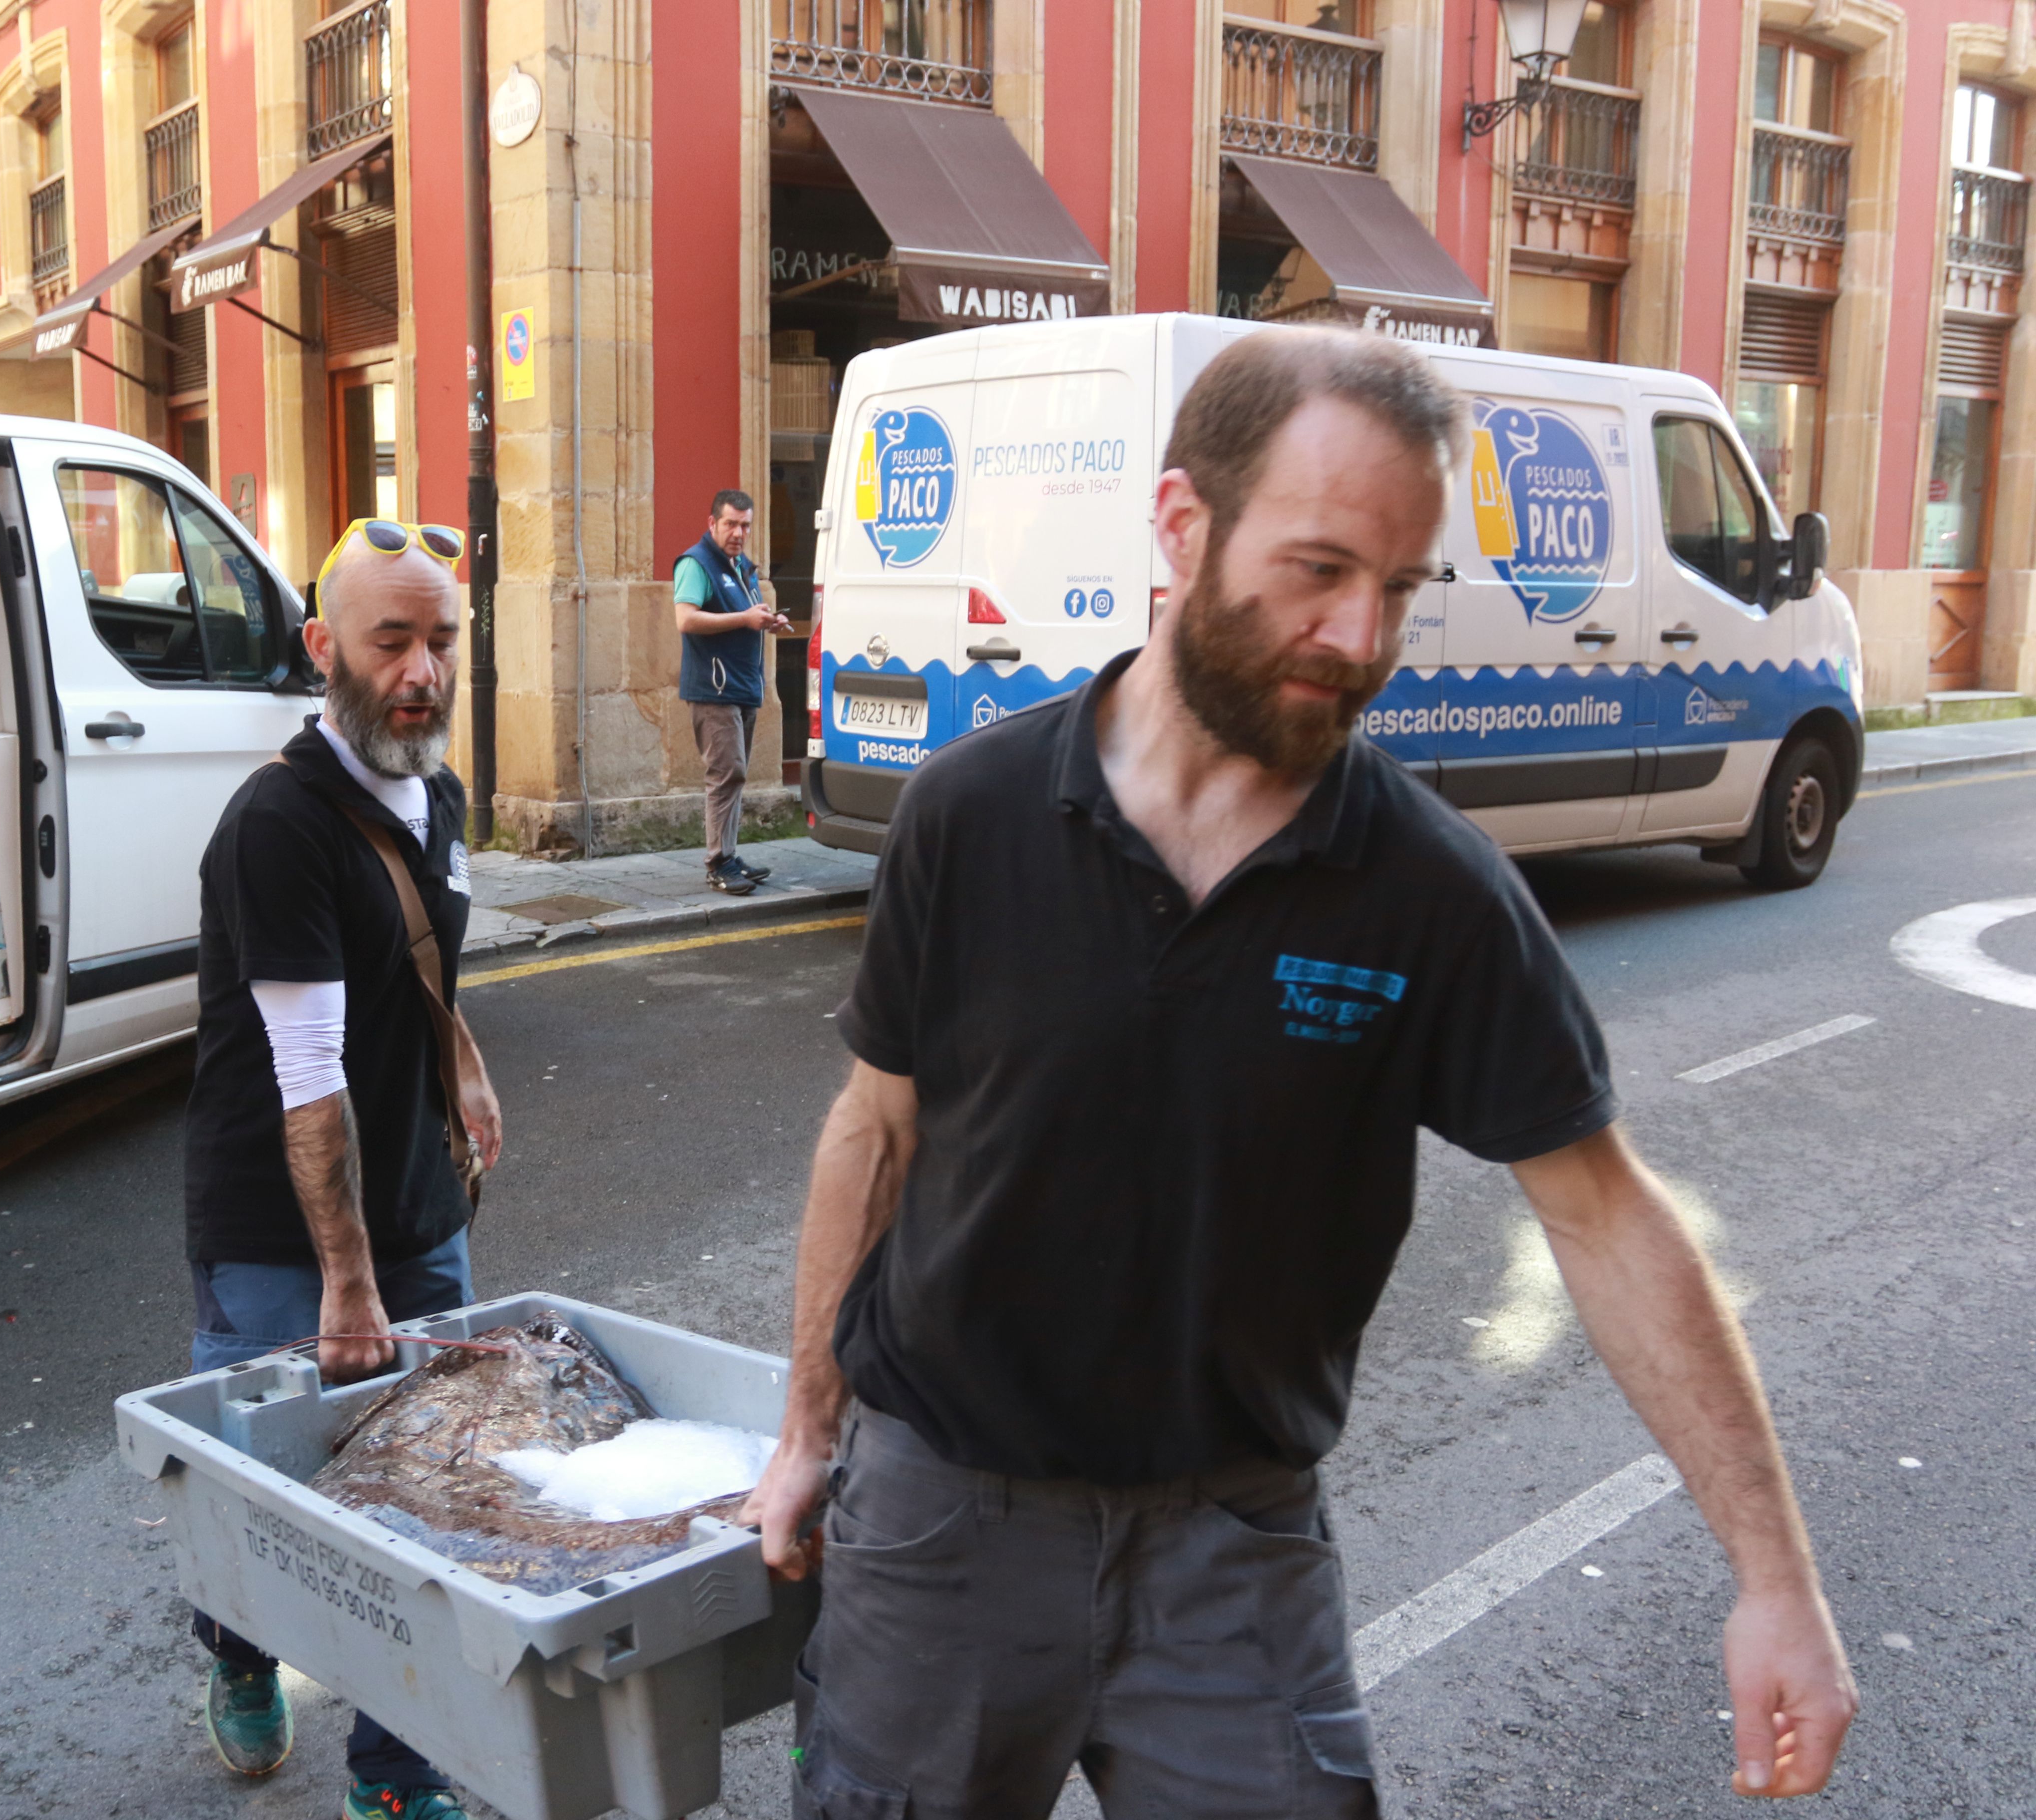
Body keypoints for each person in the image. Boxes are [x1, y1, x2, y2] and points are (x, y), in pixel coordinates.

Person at [739, 330, 1857, 1819]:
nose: (1359, 635)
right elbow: (874, 1131)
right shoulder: (971, 812)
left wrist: (1773, 1575)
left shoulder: (1428, 886)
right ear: (1183, 524)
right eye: (1319, 569)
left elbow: (1606, 1215)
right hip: (944, 1523)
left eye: (1400, 588)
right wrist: (808, 1428)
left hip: (1233, 1548)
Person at [181, 518, 504, 1820]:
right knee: (274, 1491)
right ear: (324, 650)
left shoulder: (438, 793)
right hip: (283, 1234)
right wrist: (350, 1286)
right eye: (392, 641)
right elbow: (307, 1076)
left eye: (443, 642)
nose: (422, 670)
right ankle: (241, 1651)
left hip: (418, 1206)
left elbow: (415, 964)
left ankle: (394, 1773)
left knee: (423, 1490)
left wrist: (463, 1060)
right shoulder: (279, 825)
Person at [673, 488, 787, 895]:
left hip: (743, 686)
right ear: (712, 524)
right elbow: (686, 620)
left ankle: (731, 854)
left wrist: (767, 621)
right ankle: (719, 863)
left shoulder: (742, 567)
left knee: (736, 776)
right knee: (727, 773)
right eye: (731, 524)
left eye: (745, 525)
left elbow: (746, 619)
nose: (738, 532)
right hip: (714, 689)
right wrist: (744, 618)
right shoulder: (696, 563)